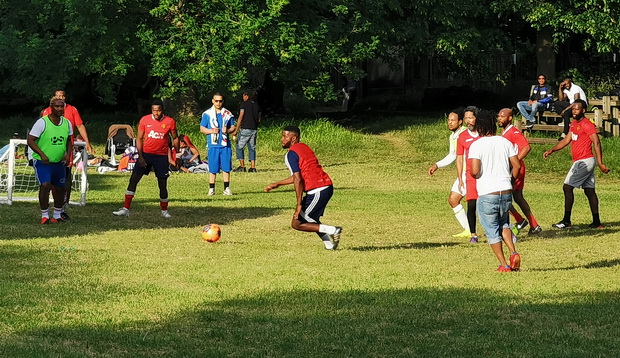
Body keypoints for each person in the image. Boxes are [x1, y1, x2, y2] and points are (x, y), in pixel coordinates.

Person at [264, 126, 342, 250]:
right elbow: (301, 175)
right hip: (324, 187)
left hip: (318, 189)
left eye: (285, 136)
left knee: (297, 224)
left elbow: (298, 179)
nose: (282, 139)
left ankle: (333, 230)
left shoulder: (291, 154)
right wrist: (278, 184)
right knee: (310, 220)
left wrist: (299, 203)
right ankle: (329, 245)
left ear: (293, 138)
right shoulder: (304, 147)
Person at [543, 99, 610, 229]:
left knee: (567, 188)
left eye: (577, 109)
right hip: (584, 161)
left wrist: (601, 163)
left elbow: (596, 142)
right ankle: (597, 222)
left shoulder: (587, 124)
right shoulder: (574, 124)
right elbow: (567, 140)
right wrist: (552, 150)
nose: (574, 111)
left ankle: (566, 221)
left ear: (583, 110)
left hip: (584, 161)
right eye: (573, 108)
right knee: (590, 191)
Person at [469, 110, 522, 272]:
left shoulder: (476, 145)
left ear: (479, 127)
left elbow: (475, 171)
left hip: (488, 193)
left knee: (492, 230)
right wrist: (510, 182)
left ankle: (504, 264)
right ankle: (513, 252)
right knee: (504, 223)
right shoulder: (504, 142)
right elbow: (517, 165)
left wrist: (474, 173)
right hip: (505, 191)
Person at [113, 99, 179, 218]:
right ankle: (125, 208)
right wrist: (140, 156)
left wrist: (177, 154)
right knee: (133, 179)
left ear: (162, 110)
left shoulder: (170, 122)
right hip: (146, 155)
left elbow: (175, 138)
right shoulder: (145, 120)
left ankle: (164, 210)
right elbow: (139, 138)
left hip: (161, 156)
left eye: (158, 110)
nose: (156, 113)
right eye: (154, 110)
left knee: (162, 183)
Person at [41, 90, 93, 220]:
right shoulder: (46, 112)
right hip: (49, 149)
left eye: (62, 96)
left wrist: (87, 142)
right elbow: (39, 132)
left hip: (65, 148)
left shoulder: (72, 110)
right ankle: (47, 208)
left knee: (65, 176)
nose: (60, 98)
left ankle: (63, 204)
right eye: (58, 96)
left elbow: (79, 125)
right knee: (47, 179)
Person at [27, 97, 73, 224]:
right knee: (45, 185)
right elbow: (30, 140)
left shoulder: (67, 123)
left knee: (60, 188)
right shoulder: (42, 122)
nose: (59, 109)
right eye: (57, 106)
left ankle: (57, 215)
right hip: (43, 163)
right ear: (51, 107)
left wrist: (67, 154)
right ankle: (45, 215)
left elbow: (69, 141)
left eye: (61, 106)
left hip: (59, 162)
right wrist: (42, 155)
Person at [497, 108, 542, 235]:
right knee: (517, 197)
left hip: (516, 169)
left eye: (502, 116)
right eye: (499, 116)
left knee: (502, 197)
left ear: (510, 118)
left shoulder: (513, 132)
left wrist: (515, 161)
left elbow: (526, 147)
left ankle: (520, 220)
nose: (499, 119)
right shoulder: (505, 132)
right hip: (513, 168)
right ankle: (534, 225)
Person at [428, 108, 470, 238]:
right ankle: (469, 230)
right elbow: (453, 155)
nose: (450, 123)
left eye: (453, 120)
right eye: (448, 120)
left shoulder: (466, 133)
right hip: (462, 174)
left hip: (472, 173)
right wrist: (437, 165)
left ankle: (516, 221)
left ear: (460, 122)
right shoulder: (453, 136)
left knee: (488, 202)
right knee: (453, 199)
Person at [200, 93, 236, 195]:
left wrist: (228, 130)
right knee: (213, 168)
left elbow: (233, 127)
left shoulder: (227, 114)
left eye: (220, 101)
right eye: (216, 101)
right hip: (213, 145)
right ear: (212, 101)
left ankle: (227, 188)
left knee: (226, 167)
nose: (218, 103)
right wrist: (211, 131)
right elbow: (202, 129)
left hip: (225, 145)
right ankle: (211, 189)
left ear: (222, 102)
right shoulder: (207, 114)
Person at [456, 106, 481, 243]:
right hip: (471, 176)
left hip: (486, 174)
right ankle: (473, 234)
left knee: (490, 203)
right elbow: (459, 158)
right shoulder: (462, 137)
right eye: (466, 118)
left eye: (470, 117)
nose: (468, 121)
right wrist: (460, 178)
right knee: (471, 204)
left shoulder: (484, 134)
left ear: (476, 118)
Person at [232, 91, 261, 173]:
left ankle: (242, 166)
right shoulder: (257, 106)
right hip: (254, 129)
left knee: (239, 146)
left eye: (243, 95)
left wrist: (236, 131)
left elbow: (241, 117)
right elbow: (259, 119)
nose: (243, 97)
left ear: (246, 96)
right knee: (252, 148)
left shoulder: (244, 104)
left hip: (245, 128)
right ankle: (253, 167)